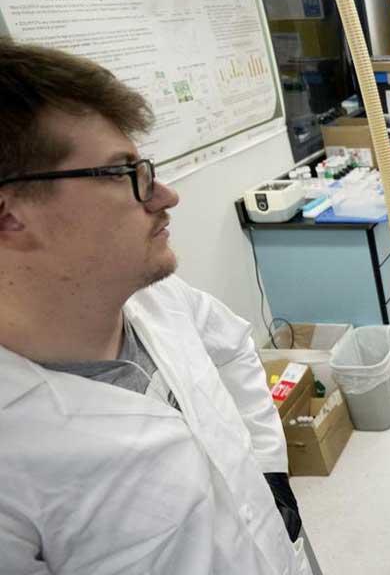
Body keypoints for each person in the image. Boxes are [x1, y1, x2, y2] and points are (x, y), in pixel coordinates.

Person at [0, 39, 309, 574]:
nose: (165, 195)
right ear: (9, 215)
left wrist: (267, 468)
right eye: (123, 173)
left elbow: (232, 347)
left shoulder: (155, 297)